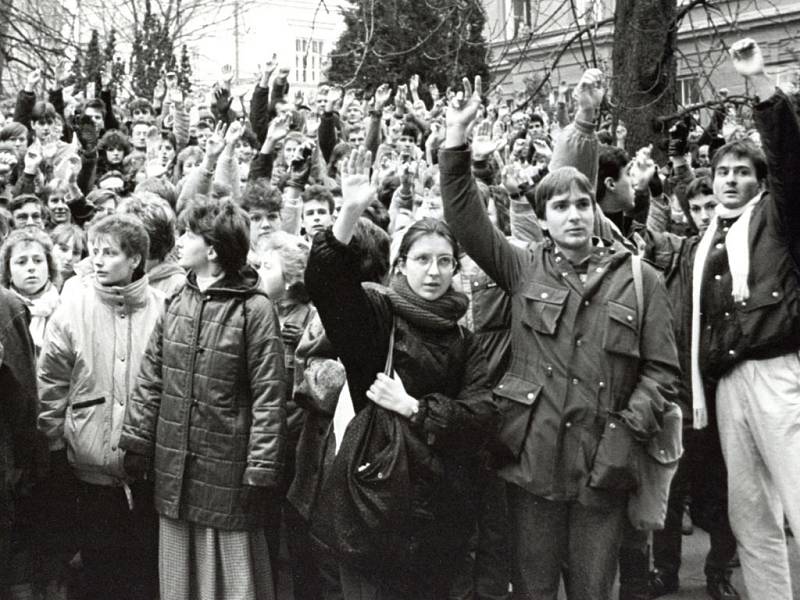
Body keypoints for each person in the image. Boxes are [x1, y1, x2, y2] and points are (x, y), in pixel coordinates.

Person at [440, 73, 681, 600]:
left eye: (581, 204)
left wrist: (625, 433)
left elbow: (662, 371)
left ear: (596, 210)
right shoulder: (523, 268)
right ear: (543, 221)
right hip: (533, 467)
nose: (573, 214)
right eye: (559, 207)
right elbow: (465, 218)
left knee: (595, 590)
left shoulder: (641, 280)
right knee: (532, 589)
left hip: (604, 465)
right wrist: (455, 141)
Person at [305, 147, 498, 599]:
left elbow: (482, 415)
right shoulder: (379, 317)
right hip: (374, 502)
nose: (434, 271)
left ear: (456, 267)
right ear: (400, 265)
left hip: (439, 511)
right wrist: (349, 213)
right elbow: (328, 287)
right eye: (422, 260)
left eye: (444, 261)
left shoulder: (463, 338)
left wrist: (415, 408)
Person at [120, 197, 287, 600]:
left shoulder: (255, 309)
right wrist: (138, 442)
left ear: (212, 249)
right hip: (175, 465)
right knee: (180, 578)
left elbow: (269, 395)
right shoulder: (178, 299)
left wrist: (260, 469)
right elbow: (151, 376)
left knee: (233, 580)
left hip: (228, 471)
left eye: (189, 234)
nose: (179, 241)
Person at [686, 39, 800, 600]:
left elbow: (789, 160)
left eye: (741, 171)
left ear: (759, 178)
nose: (729, 179)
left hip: (778, 373)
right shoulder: (702, 240)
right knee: (751, 519)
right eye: (721, 172)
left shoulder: (779, 215)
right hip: (726, 385)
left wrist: (759, 84)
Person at [37, 214, 164, 600]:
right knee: (97, 573)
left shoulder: (163, 308)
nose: (98, 260)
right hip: (88, 467)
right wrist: (56, 444)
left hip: (147, 471)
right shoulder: (72, 308)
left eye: (109, 253)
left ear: (136, 259)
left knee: (144, 573)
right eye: (95, 252)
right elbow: (52, 384)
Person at [0, 227, 60, 354]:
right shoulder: (3, 310)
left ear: (49, 268)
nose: (31, 267)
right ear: (8, 272)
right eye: (21, 262)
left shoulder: (65, 307)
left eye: (38, 261)